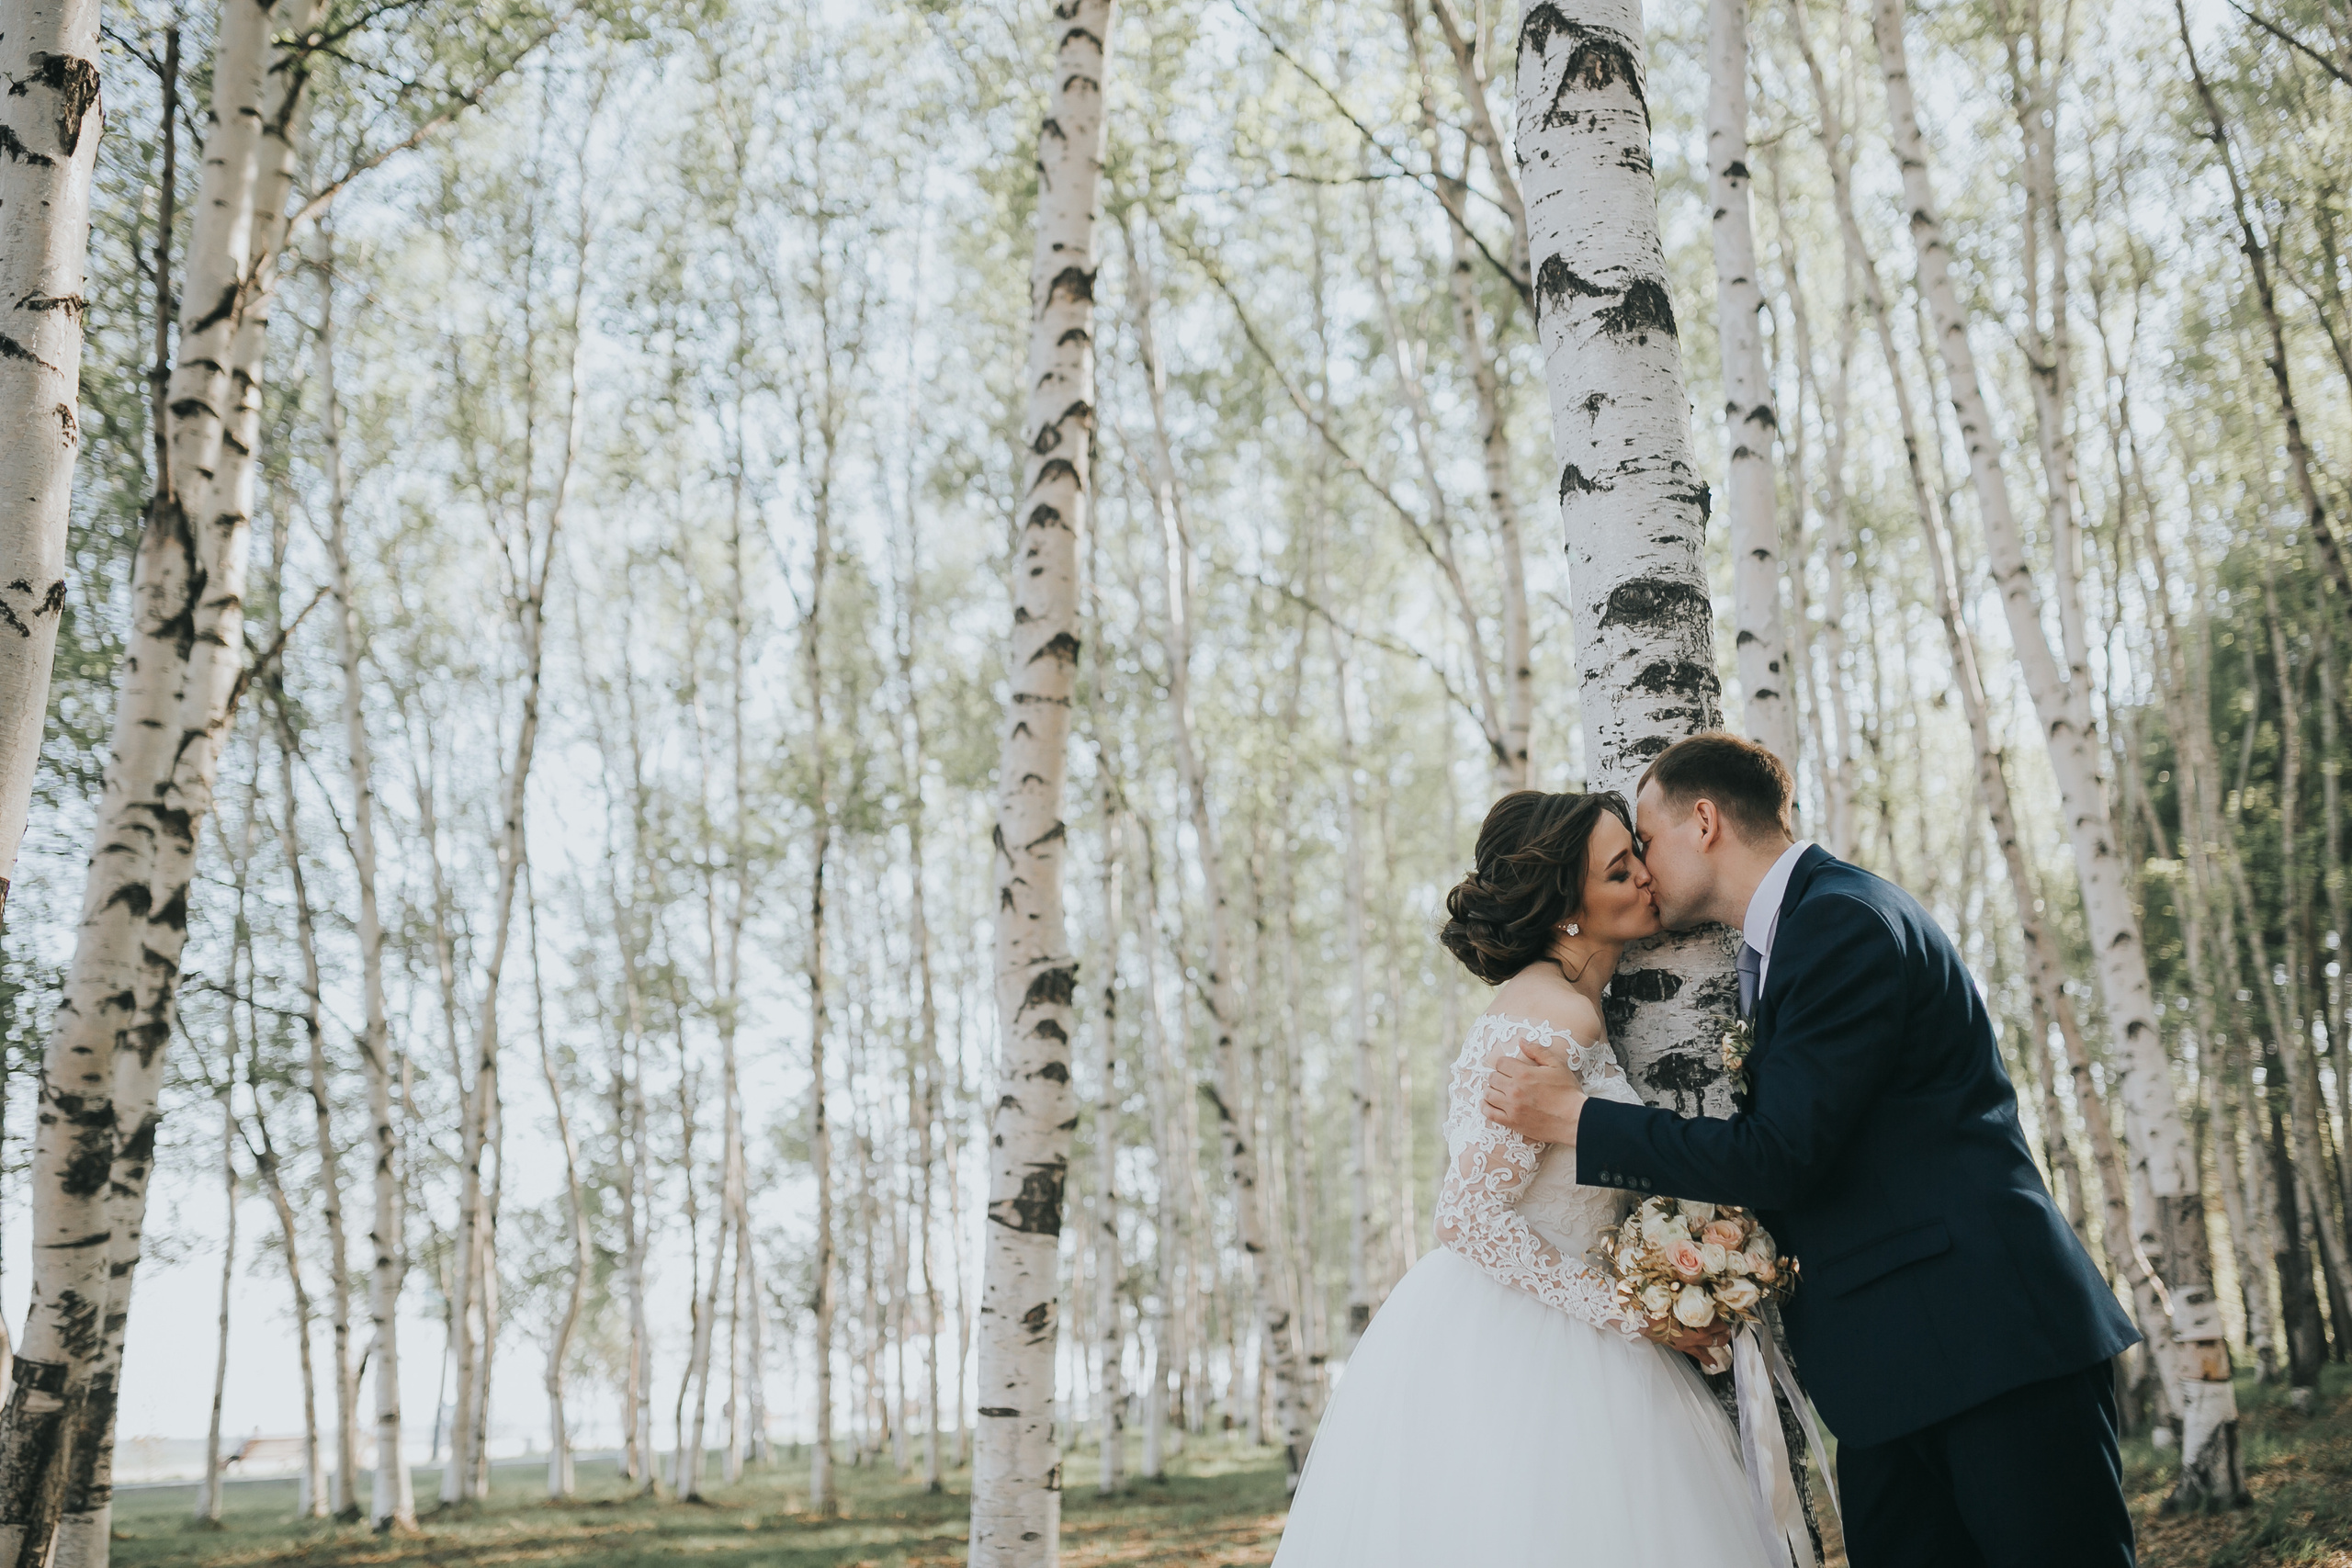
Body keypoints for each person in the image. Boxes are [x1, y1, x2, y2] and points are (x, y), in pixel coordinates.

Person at [1484, 732, 2141, 1568]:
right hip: (1900, 1373)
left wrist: (1581, 1121)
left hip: (1990, 1349)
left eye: (1645, 841)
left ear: (1706, 820)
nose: (1642, 868)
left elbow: (1782, 1153)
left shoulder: (1842, 922)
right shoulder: (1797, 934)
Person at [1272, 789, 1797, 1568]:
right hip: (1528, 1343)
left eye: (1638, 857)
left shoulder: (1578, 1005)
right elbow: (1469, 1218)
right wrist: (1638, 1311)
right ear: (1566, 913)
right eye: (1621, 871)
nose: (1648, 878)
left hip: (1567, 1312)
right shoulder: (1554, 1018)